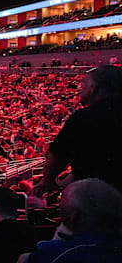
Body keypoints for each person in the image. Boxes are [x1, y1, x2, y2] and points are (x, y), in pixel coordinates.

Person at [37, 65, 122, 195]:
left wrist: (46, 182)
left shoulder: (84, 117)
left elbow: (56, 158)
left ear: (93, 89)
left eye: (83, 85)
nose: (80, 89)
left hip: (97, 197)